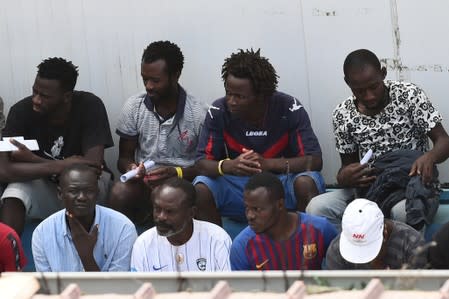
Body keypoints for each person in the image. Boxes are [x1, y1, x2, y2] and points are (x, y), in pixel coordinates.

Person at [306, 49, 449, 230]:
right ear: (347, 83)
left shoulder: (409, 96)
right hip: (371, 187)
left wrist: (430, 156)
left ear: (383, 73)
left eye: (374, 87)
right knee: (317, 208)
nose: (369, 96)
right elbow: (348, 166)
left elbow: (444, 141)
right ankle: (348, 255)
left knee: (403, 212)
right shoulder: (343, 114)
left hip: (410, 184)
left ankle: (404, 256)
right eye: (359, 91)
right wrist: (345, 176)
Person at [194, 48, 325, 226]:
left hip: (280, 185)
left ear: (262, 96)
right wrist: (230, 165)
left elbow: (314, 161)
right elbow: (201, 163)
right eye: (229, 93)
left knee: (306, 182)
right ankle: (218, 249)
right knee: (201, 187)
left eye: (240, 96)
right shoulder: (219, 111)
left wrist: (267, 164)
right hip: (238, 186)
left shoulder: (289, 108)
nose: (231, 101)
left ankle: (305, 246)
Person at [0, 57, 114, 235]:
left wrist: (32, 159)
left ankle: (89, 252)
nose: (36, 100)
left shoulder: (89, 105)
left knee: (80, 185)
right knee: (15, 192)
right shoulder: (20, 111)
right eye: (34, 92)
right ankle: (6, 254)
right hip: (44, 186)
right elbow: (4, 170)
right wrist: (62, 165)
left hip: (87, 188)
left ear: (66, 97)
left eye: (44, 96)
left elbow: (92, 168)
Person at [110, 41, 208, 223]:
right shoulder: (134, 106)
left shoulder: (198, 113)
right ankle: (124, 245)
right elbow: (124, 157)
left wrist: (176, 173)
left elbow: (206, 166)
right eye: (144, 79)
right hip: (144, 183)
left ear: (175, 75)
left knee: (199, 192)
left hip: (183, 182)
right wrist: (131, 168)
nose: (148, 86)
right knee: (119, 191)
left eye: (155, 80)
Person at [32, 164, 137, 272]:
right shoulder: (42, 233)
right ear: (60, 194)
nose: (82, 197)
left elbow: (117, 287)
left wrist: (87, 257)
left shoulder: (123, 228)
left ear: (97, 193)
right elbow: (49, 287)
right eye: (73, 191)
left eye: (89, 191)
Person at [230, 172, 336, 270]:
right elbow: (241, 289)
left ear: (280, 205)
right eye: (247, 208)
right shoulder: (242, 246)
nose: (250, 216)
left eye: (257, 209)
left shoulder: (321, 229)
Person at [131, 178, 232, 272]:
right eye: (157, 209)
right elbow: (138, 288)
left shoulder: (217, 239)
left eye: (170, 211)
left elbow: (230, 286)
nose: (161, 217)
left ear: (191, 213)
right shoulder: (143, 243)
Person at [326, 198, 427, 269]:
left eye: (368, 248)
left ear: (385, 232)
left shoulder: (412, 244)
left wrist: (379, 267)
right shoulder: (337, 249)